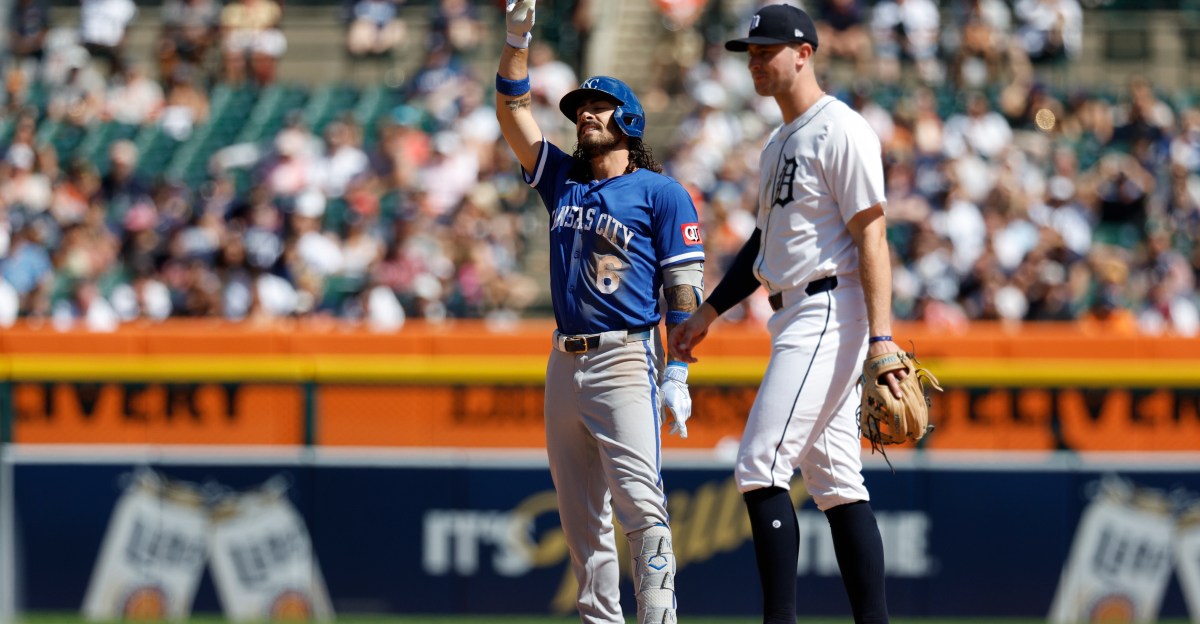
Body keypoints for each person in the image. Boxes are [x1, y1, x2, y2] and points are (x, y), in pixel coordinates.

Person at [669, 5, 904, 624]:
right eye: (749, 52)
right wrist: (711, 311)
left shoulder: (841, 129)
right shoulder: (779, 140)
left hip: (830, 305)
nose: (755, 61)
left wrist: (882, 339)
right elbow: (765, 245)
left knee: (759, 464)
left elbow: (872, 236)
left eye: (766, 49)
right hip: (794, 308)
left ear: (804, 53)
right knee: (834, 483)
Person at [496, 1, 705, 622]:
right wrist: (517, 37)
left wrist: (678, 369)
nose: (584, 114)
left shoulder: (660, 192)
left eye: (597, 106)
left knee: (642, 506)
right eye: (579, 108)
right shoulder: (564, 179)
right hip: (564, 359)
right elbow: (512, 108)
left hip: (624, 355)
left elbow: (684, 289)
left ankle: (659, 619)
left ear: (629, 117)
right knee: (580, 517)